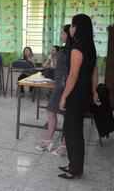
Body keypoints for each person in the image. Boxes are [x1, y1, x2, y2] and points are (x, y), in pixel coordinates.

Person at [58, 14, 100, 179]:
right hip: (84, 94)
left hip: (75, 94)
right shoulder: (90, 46)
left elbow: (73, 75)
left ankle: (75, 169)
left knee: (73, 132)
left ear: (77, 28)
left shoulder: (77, 48)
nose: (71, 28)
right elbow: (94, 72)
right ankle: (72, 164)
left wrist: (63, 97)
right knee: (70, 130)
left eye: (72, 26)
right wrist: (94, 91)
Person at [35, 25, 73, 156]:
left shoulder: (72, 50)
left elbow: (70, 71)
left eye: (63, 33)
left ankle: (64, 146)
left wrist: (62, 84)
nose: (61, 36)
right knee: (51, 110)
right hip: (59, 84)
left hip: (64, 86)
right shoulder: (63, 49)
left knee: (66, 115)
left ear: (70, 34)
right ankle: (48, 140)